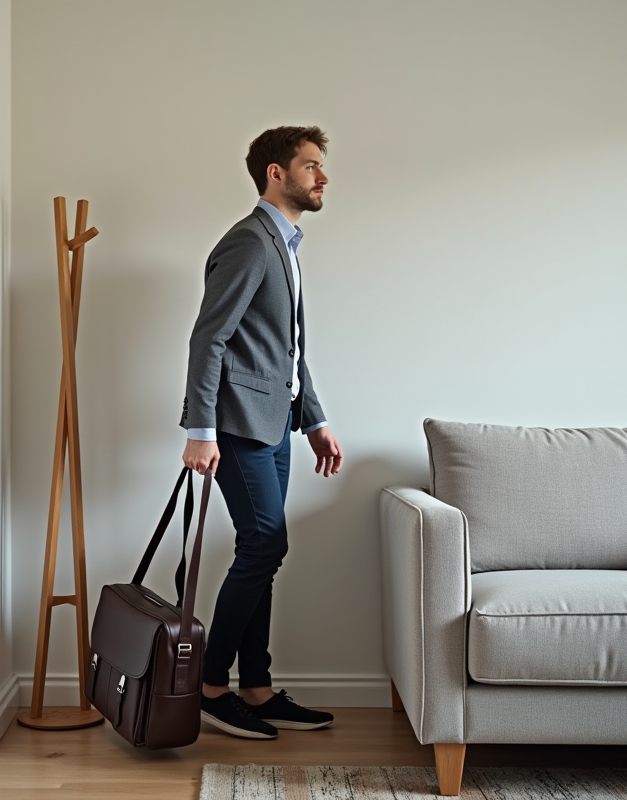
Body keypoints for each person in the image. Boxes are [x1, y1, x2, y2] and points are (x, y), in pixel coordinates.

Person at [181, 126, 344, 739]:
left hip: (275, 425)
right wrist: (201, 429)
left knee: (262, 552)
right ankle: (209, 686)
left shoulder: (286, 245)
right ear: (276, 173)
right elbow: (209, 338)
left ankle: (256, 687)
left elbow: (287, 349)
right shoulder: (250, 241)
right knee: (265, 545)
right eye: (311, 166)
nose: (322, 177)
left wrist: (315, 420)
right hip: (238, 427)